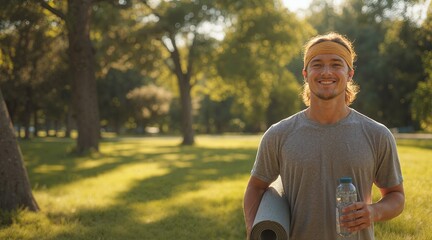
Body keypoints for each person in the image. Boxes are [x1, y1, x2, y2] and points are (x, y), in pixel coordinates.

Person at [243, 32, 405, 240]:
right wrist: (252, 232)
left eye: (336, 64)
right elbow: (256, 188)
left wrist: (374, 211)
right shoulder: (278, 134)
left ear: (350, 74)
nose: (326, 72)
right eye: (317, 64)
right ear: (305, 73)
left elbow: (396, 196)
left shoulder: (376, 134)